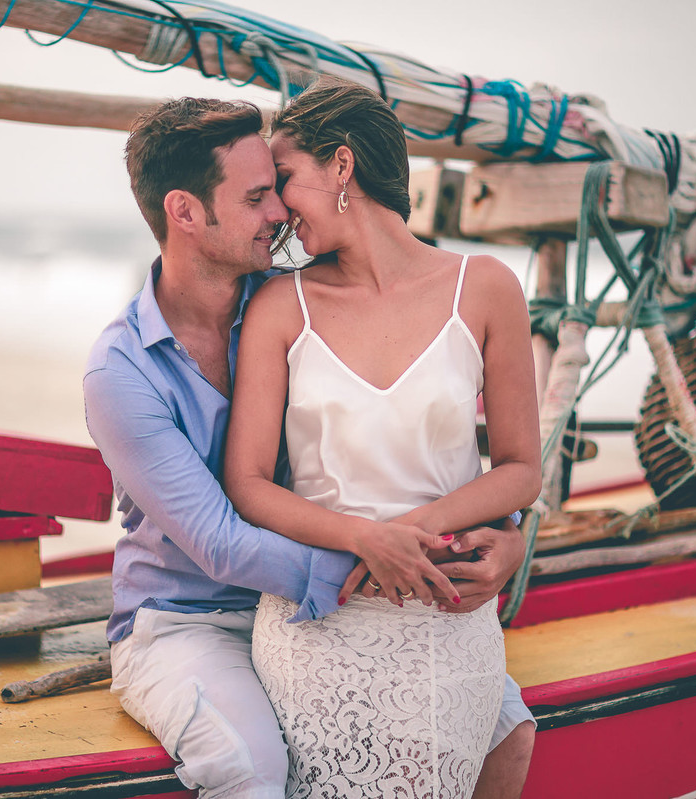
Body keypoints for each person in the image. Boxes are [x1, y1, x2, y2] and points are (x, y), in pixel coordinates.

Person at [84, 95, 535, 799]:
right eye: (259, 195)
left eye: (279, 186)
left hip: (350, 586)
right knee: (251, 769)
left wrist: (505, 538)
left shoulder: (280, 289)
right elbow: (224, 539)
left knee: (509, 726)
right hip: (192, 616)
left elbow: (417, 450)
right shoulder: (122, 372)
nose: (277, 214)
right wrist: (378, 558)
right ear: (185, 212)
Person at [223, 77, 542, 797]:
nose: (275, 210)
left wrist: (410, 532)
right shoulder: (281, 305)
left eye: (285, 181)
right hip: (322, 619)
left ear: (342, 166)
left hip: (445, 614)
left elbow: (522, 468)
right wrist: (362, 539)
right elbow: (247, 483)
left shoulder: (486, 287)